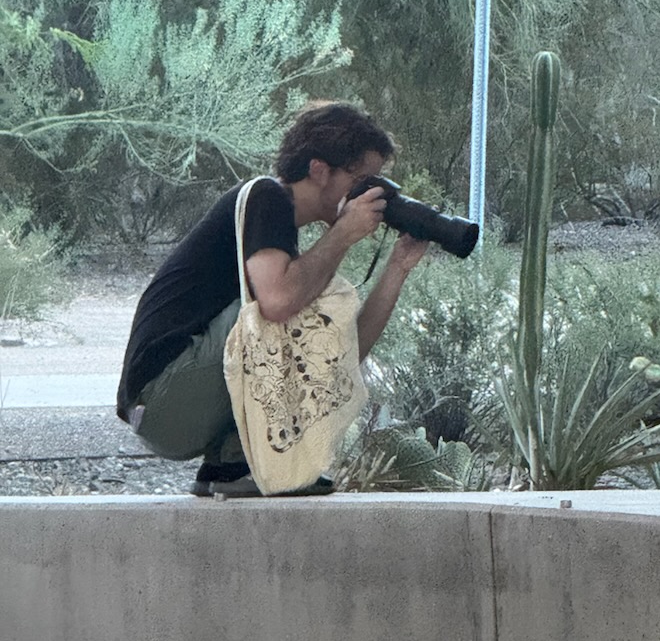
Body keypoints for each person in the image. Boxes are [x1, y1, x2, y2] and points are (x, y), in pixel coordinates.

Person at [116, 100, 427, 497]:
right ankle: (254, 464)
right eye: (363, 180)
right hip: (164, 395)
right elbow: (279, 301)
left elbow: (341, 350)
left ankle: (230, 466)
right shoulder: (266, 196)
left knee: (315, 316)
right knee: (297, 307)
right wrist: (344, 234)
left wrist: (399, 266)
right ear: (319, 170)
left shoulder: (280, 237)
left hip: (169, 407)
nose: (373, 194)